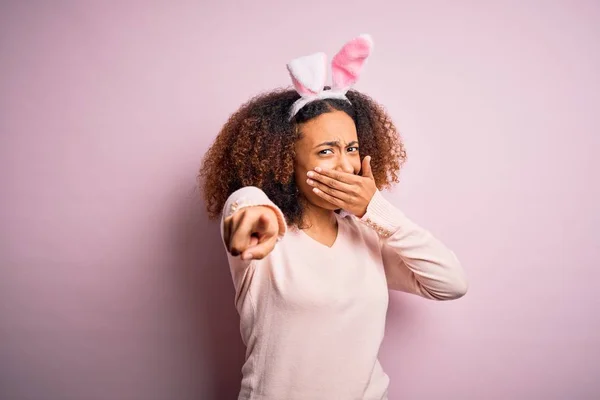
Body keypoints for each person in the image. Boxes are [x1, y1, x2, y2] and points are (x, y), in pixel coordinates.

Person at [199, 34, 468, 400]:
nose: (345, 165)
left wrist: (375, 210)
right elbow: (244, 227)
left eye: (352, 149)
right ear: (285, 160)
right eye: (326, 151)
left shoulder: (367, 235)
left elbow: (450, 283)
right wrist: (251, 209)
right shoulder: (263, 221)